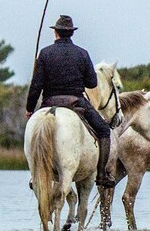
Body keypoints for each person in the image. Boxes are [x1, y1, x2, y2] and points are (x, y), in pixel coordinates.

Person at [26, 15, 116, 188]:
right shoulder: (82, 53)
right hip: (76, 101)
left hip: (49, 102)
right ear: (71, 33)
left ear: (56, 33)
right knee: (104, 130)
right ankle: (102, 175)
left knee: (34, 130)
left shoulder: (44, 53)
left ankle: (33, 175)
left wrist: (30, 109)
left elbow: (35, 86)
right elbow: (92, 83)